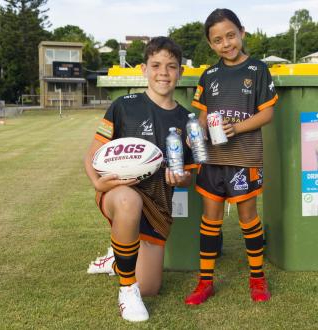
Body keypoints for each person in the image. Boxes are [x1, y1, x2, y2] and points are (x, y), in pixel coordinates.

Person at [84, 36, 195, 322]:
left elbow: (190, 174)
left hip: (158, 204)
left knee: (151, 287)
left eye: (171, 66)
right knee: (128, 198)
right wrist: (98, 183)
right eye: (156, 65)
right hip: (119, 194)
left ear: (180, 72)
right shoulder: (124, 106)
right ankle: (126, 289)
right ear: (144, 69)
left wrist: (180, 179)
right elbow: (93, 154)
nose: (163, 72)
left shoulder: (186, 119)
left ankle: (118, 257)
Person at [184, 8, 278, 305]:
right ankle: (205, 282)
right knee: (209, 220)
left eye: (230, 36)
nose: (226, 44)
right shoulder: (209, 74)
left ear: (242, 33)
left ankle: (257, 278)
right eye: (218, 40)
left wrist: (236, 128)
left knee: (248, 218)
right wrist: (194, 133)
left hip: (244, 158)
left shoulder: (258, 70)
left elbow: (268, 113)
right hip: (212, 159)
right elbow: (202, 116)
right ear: (211, 45)